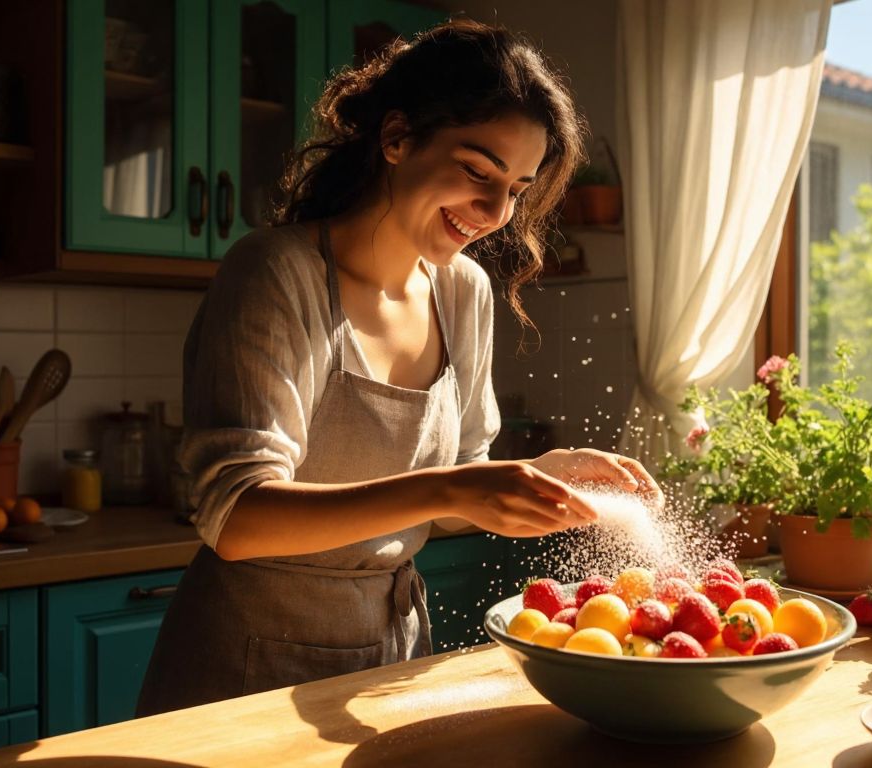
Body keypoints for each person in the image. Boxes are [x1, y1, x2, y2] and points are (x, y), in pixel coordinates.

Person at [136, 19, 659, 717]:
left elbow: (456, 491)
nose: (495, 212)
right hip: (247, 662)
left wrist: (542, 478)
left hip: (391, 658)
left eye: (517, 188)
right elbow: (236, 518)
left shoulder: (462, 291)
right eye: (478, 171)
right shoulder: (276, 274)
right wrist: (451, 487)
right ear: (396, 138)